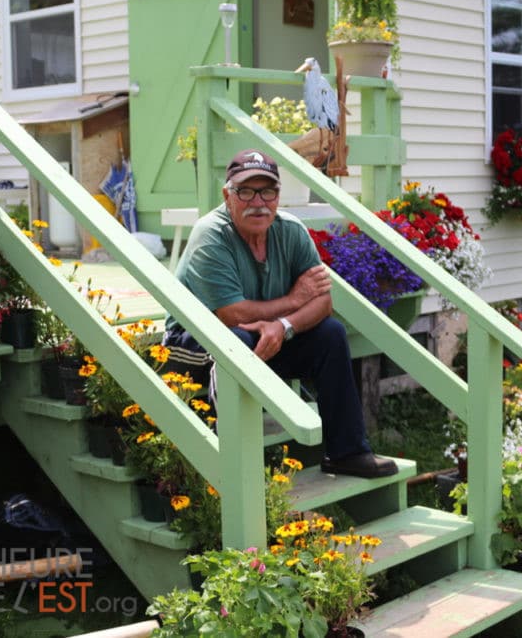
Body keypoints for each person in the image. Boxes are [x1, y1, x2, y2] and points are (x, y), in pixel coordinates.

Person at [163, 149, 398, 479]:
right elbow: (231, 314)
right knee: (236, 338)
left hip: (262, 340)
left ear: (277, 196)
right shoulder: (211, 234)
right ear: (227, 196)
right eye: (246, 191)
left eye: (268, 191)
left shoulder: (291, 230)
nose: (258, 201)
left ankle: (347, 452)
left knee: (331, 333)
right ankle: (233, 462)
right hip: (192, 345)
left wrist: (284, 326)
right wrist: (293, 300)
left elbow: (322, 303)